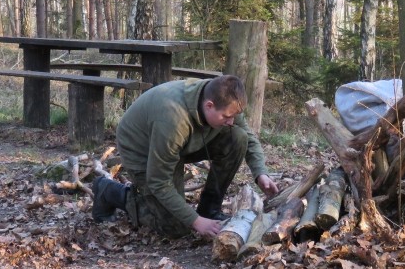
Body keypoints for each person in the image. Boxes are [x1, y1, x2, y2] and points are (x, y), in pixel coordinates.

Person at [91, 75, 278, 238]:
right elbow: (158, 181)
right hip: (142, 149)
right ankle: (109, 191)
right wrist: (195, 221)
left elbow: (249, 137)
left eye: (233, 116)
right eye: (226, 117)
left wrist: (260, 172)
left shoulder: (225, 98)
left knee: (238, 137)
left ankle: (209, 209)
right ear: (209, 105)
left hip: (179, 144)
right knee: (176, 227)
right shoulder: (172, 119)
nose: (231, 121)